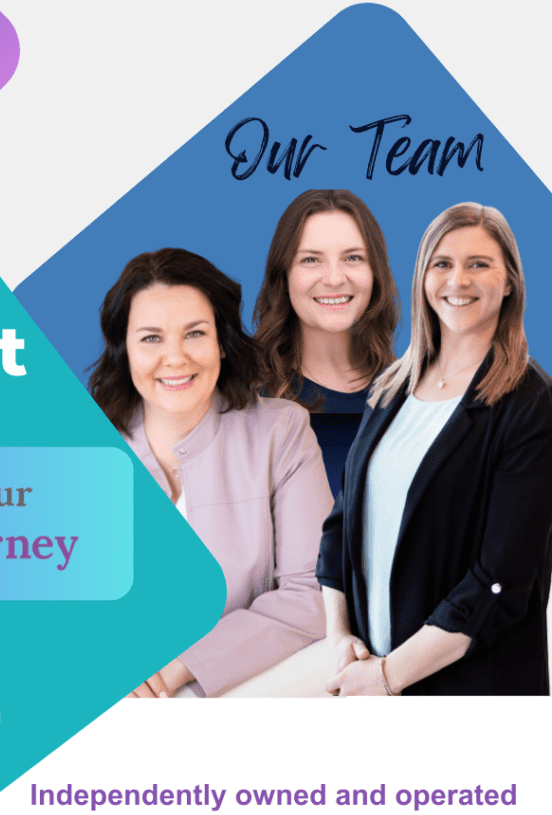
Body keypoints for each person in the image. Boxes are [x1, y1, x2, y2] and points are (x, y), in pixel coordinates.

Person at [317, 203, 552, 696]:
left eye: (479, 264)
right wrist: (339, 638)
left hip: (470, 695)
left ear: (510, 282)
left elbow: (500, 581)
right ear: (423, 276)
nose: (457, 280)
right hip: (369, 685)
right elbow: (341, 528)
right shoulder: (390, 389)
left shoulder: (530, 402)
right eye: (442, 263)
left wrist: (388, 676)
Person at [89, 248, 334, 697]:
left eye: (194, 333)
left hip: (248, 688)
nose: (175, 358)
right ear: (124, 350)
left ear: (221, 341)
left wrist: (183, 665)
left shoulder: (280, 432)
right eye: (150, 338)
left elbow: (312, 594)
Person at [253, 190, 399, 495]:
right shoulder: (243, 398)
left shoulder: (410, 396)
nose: (334, 278)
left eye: (353, 258)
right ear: (284, 275)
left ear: (376, 273)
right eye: (310, 259)